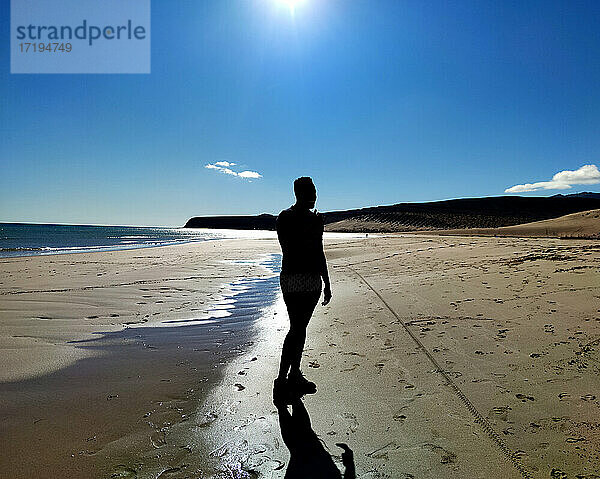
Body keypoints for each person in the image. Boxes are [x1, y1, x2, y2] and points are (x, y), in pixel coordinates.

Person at [275, 177, 331, 395]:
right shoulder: (290, 218)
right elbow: (306, 250)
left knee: (299, 328)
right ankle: (283, 378)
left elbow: (318, 252)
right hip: (298, 277)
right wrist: (312, 227)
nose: (315, 195)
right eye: (312, 191)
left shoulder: (286, 217)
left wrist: (326, 282)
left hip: (302, 278)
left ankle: (292, 375)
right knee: (297, 329)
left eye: (315, 191)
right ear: (300, 193)